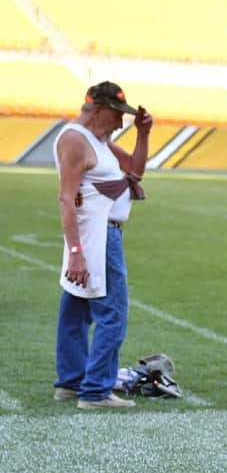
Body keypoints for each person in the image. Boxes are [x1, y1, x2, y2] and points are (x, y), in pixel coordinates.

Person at [52, 81, 152, 409]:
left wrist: (143, 134)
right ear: (98, 110)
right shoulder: (76, 141)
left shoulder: (98, 139)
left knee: (76, 309)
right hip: (96, 236)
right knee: (112, 314)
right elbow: (66, 199)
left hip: (93, 233)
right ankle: (94, 391)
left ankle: (71, 382)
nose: (121, 121)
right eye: (116, 114)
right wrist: (78, 252)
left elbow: (135, 170)